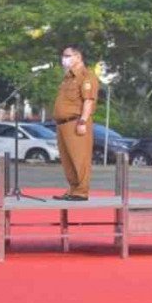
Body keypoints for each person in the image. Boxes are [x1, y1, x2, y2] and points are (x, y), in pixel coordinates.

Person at [52, 45, 99, 201]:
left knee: (79, 158)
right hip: (62, 124)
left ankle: (81, 191)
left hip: (76, 122)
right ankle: (73, 189)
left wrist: (83, 121)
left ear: (78, 57)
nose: (64, 59)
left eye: (68, 55)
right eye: (64, 55)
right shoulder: (67, 78)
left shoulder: (86, 76)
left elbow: (88, 101)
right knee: (67, 160)